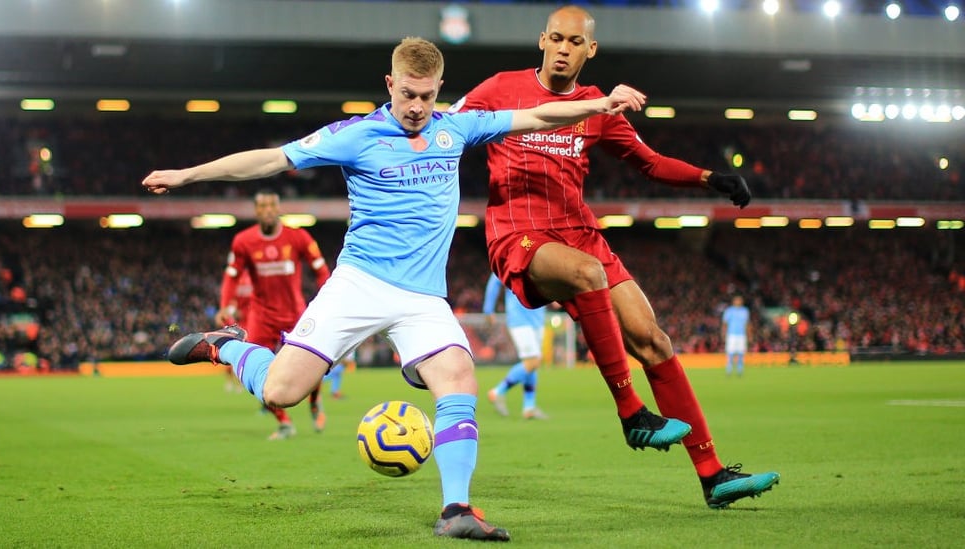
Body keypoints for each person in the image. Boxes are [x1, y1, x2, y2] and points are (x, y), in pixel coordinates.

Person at [142, 36, 658, 541]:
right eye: (407, 94)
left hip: (422, 299)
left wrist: (602, 104)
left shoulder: (456, 128)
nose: (416, 106)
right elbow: (271, 159)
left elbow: (539, 116)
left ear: (440, 89)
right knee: (282, 391)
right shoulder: (356, 134)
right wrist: (187, 176)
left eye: (427, 95)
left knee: (459, 377)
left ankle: (455, 509)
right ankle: (226, 345)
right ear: (390, 84)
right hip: (360, 284)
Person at [450, 5, 779, 509]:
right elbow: (444, 128)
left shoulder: (594, 107)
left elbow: (648, 163)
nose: (563, 48)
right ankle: (631, 414)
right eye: (555, 38)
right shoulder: (499, 89)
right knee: (586, 274)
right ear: (542, 41)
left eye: (574, 42)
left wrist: (708, 178)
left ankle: (713, 476)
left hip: (581, 233)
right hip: (519, 235)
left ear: (590, 49)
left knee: (654, 340)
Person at [217, 190, 331, 439]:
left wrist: (326, 299)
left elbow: (321, 270)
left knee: (312, 365)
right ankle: (284, 423)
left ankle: (314, 401)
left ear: (278, 208)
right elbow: (231, 277)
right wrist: (225, 304)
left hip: (296, 315)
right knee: (253, 369)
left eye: (271, 205)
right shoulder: (243, 241)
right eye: (262, 206)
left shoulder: (298, 237)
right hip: (262, 316)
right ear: (256, 211)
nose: (267, 210)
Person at [482, 273, 548, 419]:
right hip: (520, 319)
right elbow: (495, 281)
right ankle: (498, 391)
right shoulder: (512, 256)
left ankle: (529, 407)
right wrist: (488, 309)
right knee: (533, 361)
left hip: (537, 318)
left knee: (532, 364)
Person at [722, 294, 750, 376]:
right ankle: (729, 370)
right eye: (737, 300)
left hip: (742, 335)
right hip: (731, 335)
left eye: (740, 300)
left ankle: (739, 370)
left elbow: (747, 324)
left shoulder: (745, 311)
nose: (738, 302)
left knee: (741, 353)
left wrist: (749, 334)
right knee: (730, 352)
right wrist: (723, 333)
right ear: (733, 302)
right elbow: (725, 323)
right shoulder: (729, 311)